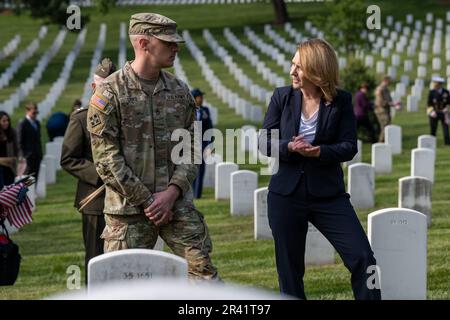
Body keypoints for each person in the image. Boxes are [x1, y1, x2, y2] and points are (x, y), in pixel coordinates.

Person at [86, 13, 219, 281]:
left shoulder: (180, 91)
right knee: (121, 289)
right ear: (144, 43)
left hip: (176, 204)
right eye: (168, 42)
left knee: (204, 277)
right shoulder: (110, 93)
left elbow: (192, 149)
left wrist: (170, 194)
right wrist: (148, 201)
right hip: (129, 210)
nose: (176, 47)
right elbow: (106, 161)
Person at [259, 38, 381, 300]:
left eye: (299, 67)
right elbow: (263, 141)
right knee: (290, 272)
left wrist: (320, 152)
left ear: (317, 71)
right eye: (293, 65)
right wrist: (289, 147)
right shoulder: (282, 97)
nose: (292, 71)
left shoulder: (341, 101)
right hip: (286, 196)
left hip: (329, 195)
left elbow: (349, 146)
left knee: (363, 257)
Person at [60, 58, 116, 284]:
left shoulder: (126, 117)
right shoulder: (81, 118)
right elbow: (68, 158)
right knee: (96, 257)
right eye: (104, 86)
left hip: (126, 199)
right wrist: (101, 173)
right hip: (96, 200)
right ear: (94, 87)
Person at [191, 88, 213, 199]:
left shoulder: (205, 110)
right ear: (195, 98)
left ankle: (197, 194)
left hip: (203, 144)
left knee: (201, 169)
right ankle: (190, 192)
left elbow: (210, 128)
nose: (202, 99)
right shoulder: (187, 110)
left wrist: (210, 145)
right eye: (200, 97)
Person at [17, 102, 42, 179]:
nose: (35, 115)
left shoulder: (37, 123)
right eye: (33, 113)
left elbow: (38, 139)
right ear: (27, 111)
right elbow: (19, 141)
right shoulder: (23, 123)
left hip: (37, 156)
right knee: (27, 179)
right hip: (27, 157)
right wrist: (22, 155)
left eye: (36, 113)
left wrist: (40, 154)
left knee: (35, 178)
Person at [427, 76, 450, 146]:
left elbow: (449, 102)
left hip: (444, 113)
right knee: (433, 128)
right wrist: (431, 111)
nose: (434, 85)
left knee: (446, 129)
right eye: (434, 83)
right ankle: (432, 143)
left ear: (440, 84)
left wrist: (447, 109)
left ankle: (447, 143)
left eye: (436, 83)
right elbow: (429, 103)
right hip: (434, 113)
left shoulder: (446, 92)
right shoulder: (432, 92)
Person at [0, 111, 19, 189]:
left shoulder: (12, 133)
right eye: (4, 121)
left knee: (10, 190)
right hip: (0, 169)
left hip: (10, 168)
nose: (6, 123)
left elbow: (16, 151)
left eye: (7, 120)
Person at [374, 76, 394, 142]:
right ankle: (381, 142)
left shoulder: (386, 89)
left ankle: (385, 141)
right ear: (385, 81)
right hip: (381, 110)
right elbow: (380, 101)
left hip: (386, 110)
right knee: (385, 127)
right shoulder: (380, 89)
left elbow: (389, 99)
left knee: (387, 126)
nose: (390, 83)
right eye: (389, 81)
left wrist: (393, 103)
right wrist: (389, 103)